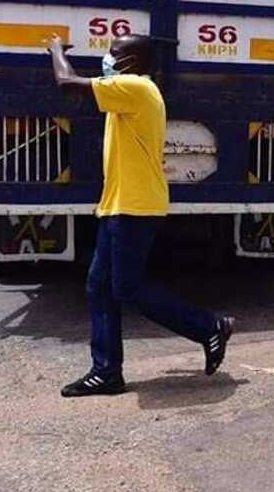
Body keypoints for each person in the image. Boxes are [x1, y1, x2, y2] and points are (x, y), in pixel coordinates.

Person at [47, 34, 234, 397]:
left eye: (113, 54)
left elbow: (66, 83)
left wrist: (55, 49)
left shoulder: (134, 87)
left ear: (132, 62)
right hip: (119, 203)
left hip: (135, 206)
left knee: (127, 288)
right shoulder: (131, 90)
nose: (107, 58)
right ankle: (106, 372)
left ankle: (209, 327)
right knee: (99, 286)